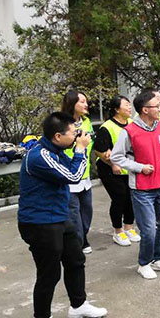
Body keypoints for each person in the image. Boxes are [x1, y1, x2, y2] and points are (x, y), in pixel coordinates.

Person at [18, 112, 107, 318]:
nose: (77, 135)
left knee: (75, 260)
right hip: (39, 222)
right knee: (49, 272)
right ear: (58, 136)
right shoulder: (40, 156)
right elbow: (74, 176)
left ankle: (78, 305)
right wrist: (81, 149)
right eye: (73, 133)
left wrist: (78, 149)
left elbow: (74, 170)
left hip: (59, 216)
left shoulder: (56, 152)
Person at [111, 89, 160, 280]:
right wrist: (139, 167)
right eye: (157, 106)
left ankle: (158, 259)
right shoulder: (129, 131)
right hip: (141, 189)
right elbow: (116, 157)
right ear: (145, 109)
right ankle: (144, 263)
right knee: (148, 230)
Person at [93, 95, 137, 247]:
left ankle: (129, 227)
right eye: (126, 105)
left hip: (128, 168)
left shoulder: (132, 124)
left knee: (131, 197)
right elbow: (99, 150)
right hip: (110, 170)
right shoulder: (107, 127)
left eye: (130, 104)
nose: (130, 107)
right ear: (117, 109)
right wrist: (112, 163)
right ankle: (118, 231)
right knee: (119, 197)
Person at [60, 90, 95, 254]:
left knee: (87, 211)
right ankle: (77, 244)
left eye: (86, 101)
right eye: (81, 101)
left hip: (85, 174)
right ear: (71, 103)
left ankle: (82, 237)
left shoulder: (86, 122)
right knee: (74, 213)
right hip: (69, 174)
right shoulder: (62, 123)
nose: (86, 104)